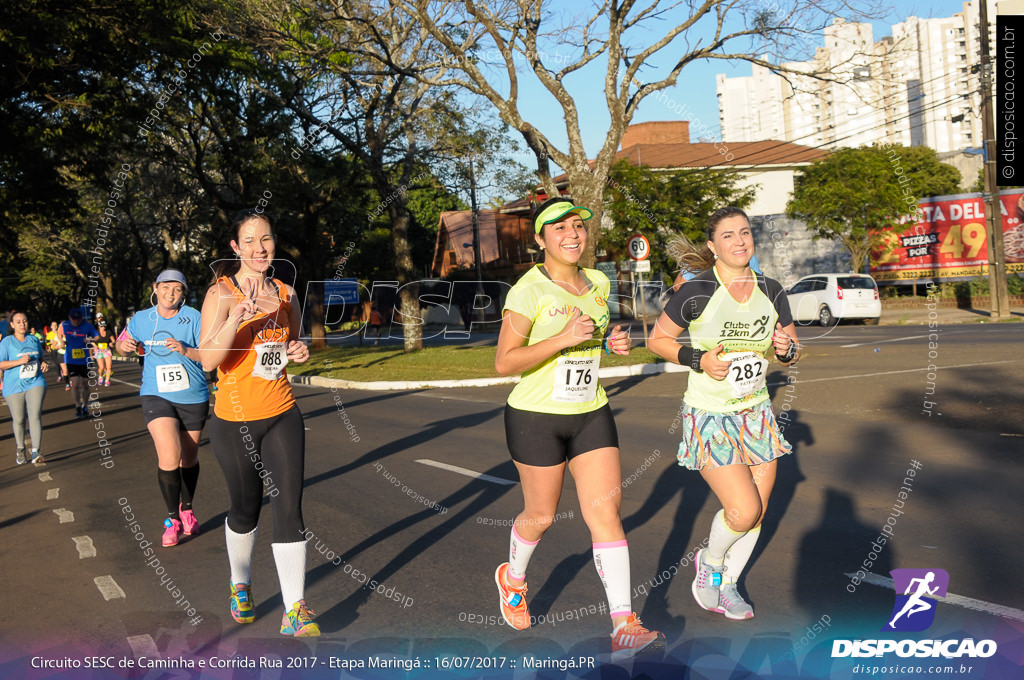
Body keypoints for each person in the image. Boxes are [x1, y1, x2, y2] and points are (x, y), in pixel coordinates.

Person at [492, 197, 664, 660]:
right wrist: (561, 339)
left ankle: (623, 623)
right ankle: (514, 578)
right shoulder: (528, 290)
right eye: (559, 228)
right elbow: (504, 361)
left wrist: (611, 340)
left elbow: (595, 333)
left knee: (605, 513)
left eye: (578, 227)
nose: (572, 235)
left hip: (590, 410)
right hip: (535, 417)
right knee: (541, 516)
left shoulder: (599, 282)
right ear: (541, 239)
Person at [647, 207, 799, 621]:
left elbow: (790, 348)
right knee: (743, 509)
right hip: (711, 415)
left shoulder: (773, 289)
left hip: (757, 414)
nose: (740, 241)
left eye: (745, 233)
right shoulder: (696, 291)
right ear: (713, 246)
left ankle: (729, 584)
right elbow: (657, 340)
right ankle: (710, 566)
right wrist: (697, 358)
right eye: (728, 235)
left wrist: (786, 350)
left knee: (757, 512)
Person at [199, 209, 318, 637]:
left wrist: (299, 351)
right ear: (235, 248)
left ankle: (295, 609)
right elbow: (210, 360)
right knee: (245, 509)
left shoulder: (286, 292)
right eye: (249, 241)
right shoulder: (222, 293)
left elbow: (292, 344)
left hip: (282, 411)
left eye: (265, 239)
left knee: (289, 506)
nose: (259, 248)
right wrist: (236, 318)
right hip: (235, 422)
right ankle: (240, 582)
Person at [117, 270, 209, 548]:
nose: (171, 293)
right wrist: (125, 345)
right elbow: (121, 345)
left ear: (184, 293)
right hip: (156, 394)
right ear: (154, 288)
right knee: (170, 455)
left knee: (188, 458)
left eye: (177, 289)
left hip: (192, 395)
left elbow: (208, 356)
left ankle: (187, 507)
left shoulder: (195, 317)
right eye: (166, 287)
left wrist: (185, 349)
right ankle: (172, 520)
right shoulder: (140, 319)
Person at [0, 312, 49, 465]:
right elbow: (1, 364)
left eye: (25, 321)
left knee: (34, 415)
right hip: (13, 386)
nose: (22, 324)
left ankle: (36, 451)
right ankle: (20, 449)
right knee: (19, 419)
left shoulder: (34, 339)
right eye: (18, 322)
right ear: (13, 325)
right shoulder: (7, 342)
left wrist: (43, 363)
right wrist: (19, 362)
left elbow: (40, 357)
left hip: (35, 381)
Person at [57, 309, 98, 418]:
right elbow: (59, 331)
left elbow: (96, 336)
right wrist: (61, 342)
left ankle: (85, 405)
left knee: (85, 383)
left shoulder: (87, 326)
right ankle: (77, 406)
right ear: (70, 318)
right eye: (74, 319)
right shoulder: (65, 324)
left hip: (84, 359)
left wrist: (89, 340)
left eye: (78, 319)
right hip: (71, 359)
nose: (76, 322)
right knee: (74, 383)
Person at [45, 322, 69, 388]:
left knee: (69, 368)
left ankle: (66, 376)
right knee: (57, 364)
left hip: (68, 354)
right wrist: (53, 344)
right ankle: (61, 376)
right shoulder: (51, 334)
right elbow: (47, 342)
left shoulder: (68, 335)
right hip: (57, 352)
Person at [93, 321, 114, 387]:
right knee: (101, 367)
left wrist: (112, 343)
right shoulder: (96, 333)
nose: (103, 327)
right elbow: (91, 341)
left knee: (109, 367)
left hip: (107, 350)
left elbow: (113, 340)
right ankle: (100, 376)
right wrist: (94, 345)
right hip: (99, 351)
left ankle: (107, 380)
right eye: (102, 326)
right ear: (99, 326)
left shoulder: (108, 332)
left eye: (104, 326)